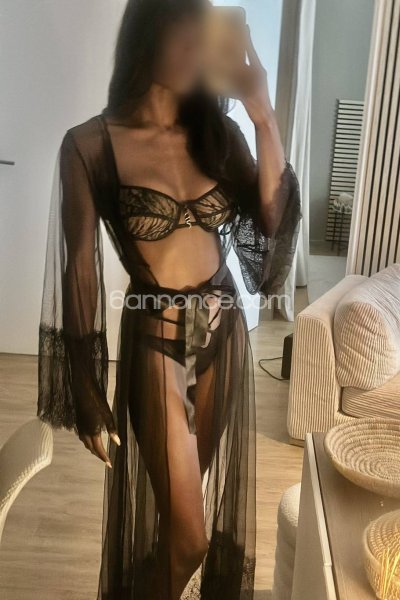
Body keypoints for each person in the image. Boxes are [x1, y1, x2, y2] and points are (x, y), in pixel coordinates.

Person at [37, 0, 301, 598]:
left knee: (177, 519)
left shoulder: (217, 135)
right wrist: (85, 388)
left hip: (224, 338)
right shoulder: (90, 146)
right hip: (155, 341)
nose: (192, 50)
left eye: (199, 37)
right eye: (179, 33)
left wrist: (262, 116)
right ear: (146, 35)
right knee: (189, 540)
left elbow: (270, 232)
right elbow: (80, 271)